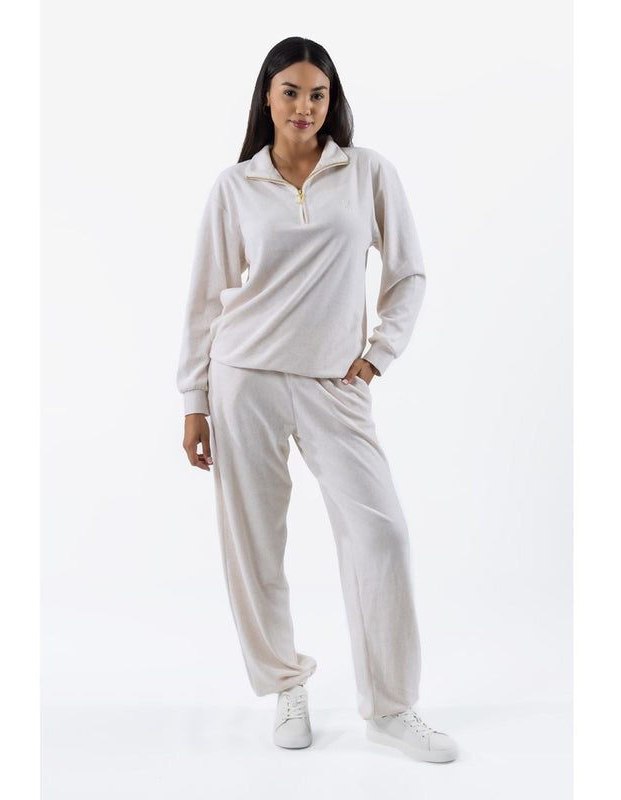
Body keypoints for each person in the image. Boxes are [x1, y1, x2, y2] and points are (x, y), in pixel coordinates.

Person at [176, 37, 458, 764]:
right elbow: (206, 297)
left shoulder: (368, 173)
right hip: (244, 377)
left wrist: (378, 353)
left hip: (336, 383)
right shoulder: (235, 186)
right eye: (292, 92)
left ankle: (391, 708)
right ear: (267, 97)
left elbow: (409, 272)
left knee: (382, 535)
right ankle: (285, 684)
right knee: (255, 542)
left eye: (318, 94)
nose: (305, 107)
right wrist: (194, 399)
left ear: (333, 101)